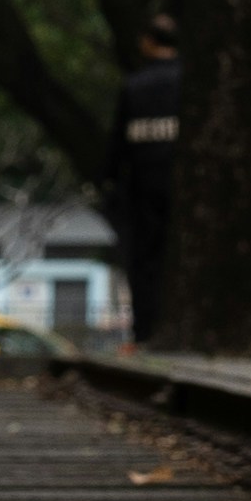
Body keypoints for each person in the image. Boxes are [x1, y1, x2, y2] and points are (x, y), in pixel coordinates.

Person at [106, 29, 182, 341]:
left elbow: (117, 145)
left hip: (142, 187)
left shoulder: (134, 86)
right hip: (180, 188)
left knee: (144, 259)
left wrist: (109, 182)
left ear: (148, 42)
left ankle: (146, 329)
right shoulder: (189, 85)